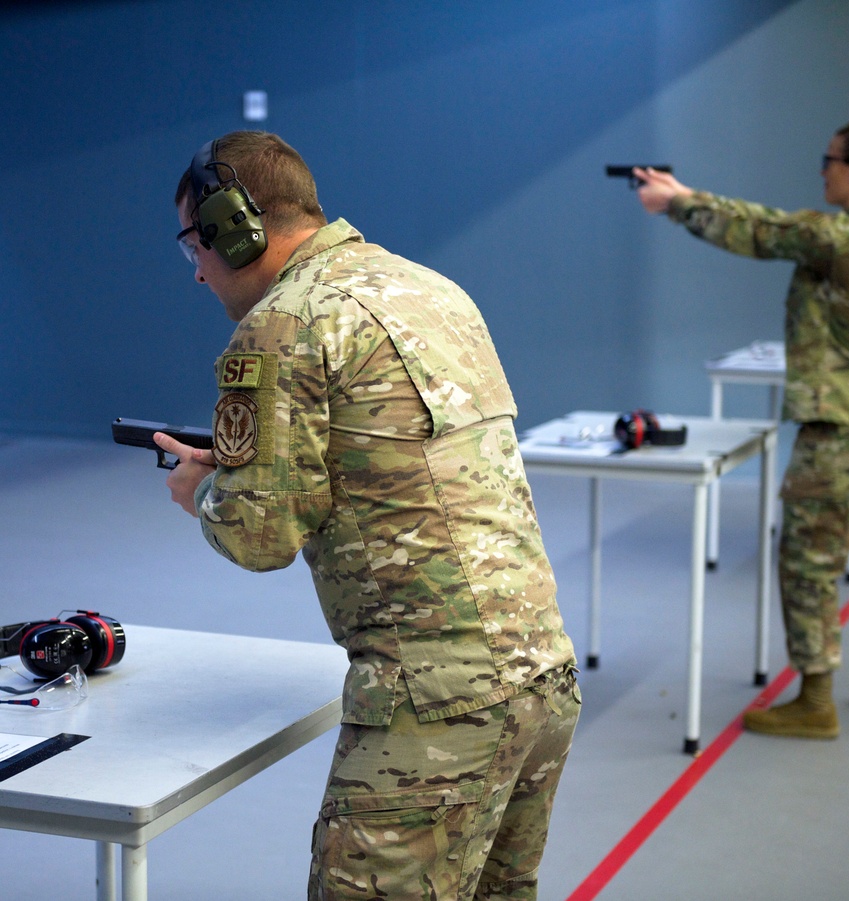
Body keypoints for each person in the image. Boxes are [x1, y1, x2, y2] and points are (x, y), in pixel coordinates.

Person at [155, 130, 580, 900]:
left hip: (434, 710)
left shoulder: (282, 324)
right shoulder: (429, 288)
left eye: (195, 245)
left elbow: (259, 538)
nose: (197, 272)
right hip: (542, 678)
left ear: (232, 227)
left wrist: (203, 492)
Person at [631, 116, 849, 739]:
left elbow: (762, 230)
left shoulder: (845, 238)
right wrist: (684, 196)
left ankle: (817, 697)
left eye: (828, 160)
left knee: (808, 558)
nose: (821, 170)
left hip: (843, 422)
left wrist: (679, 204)